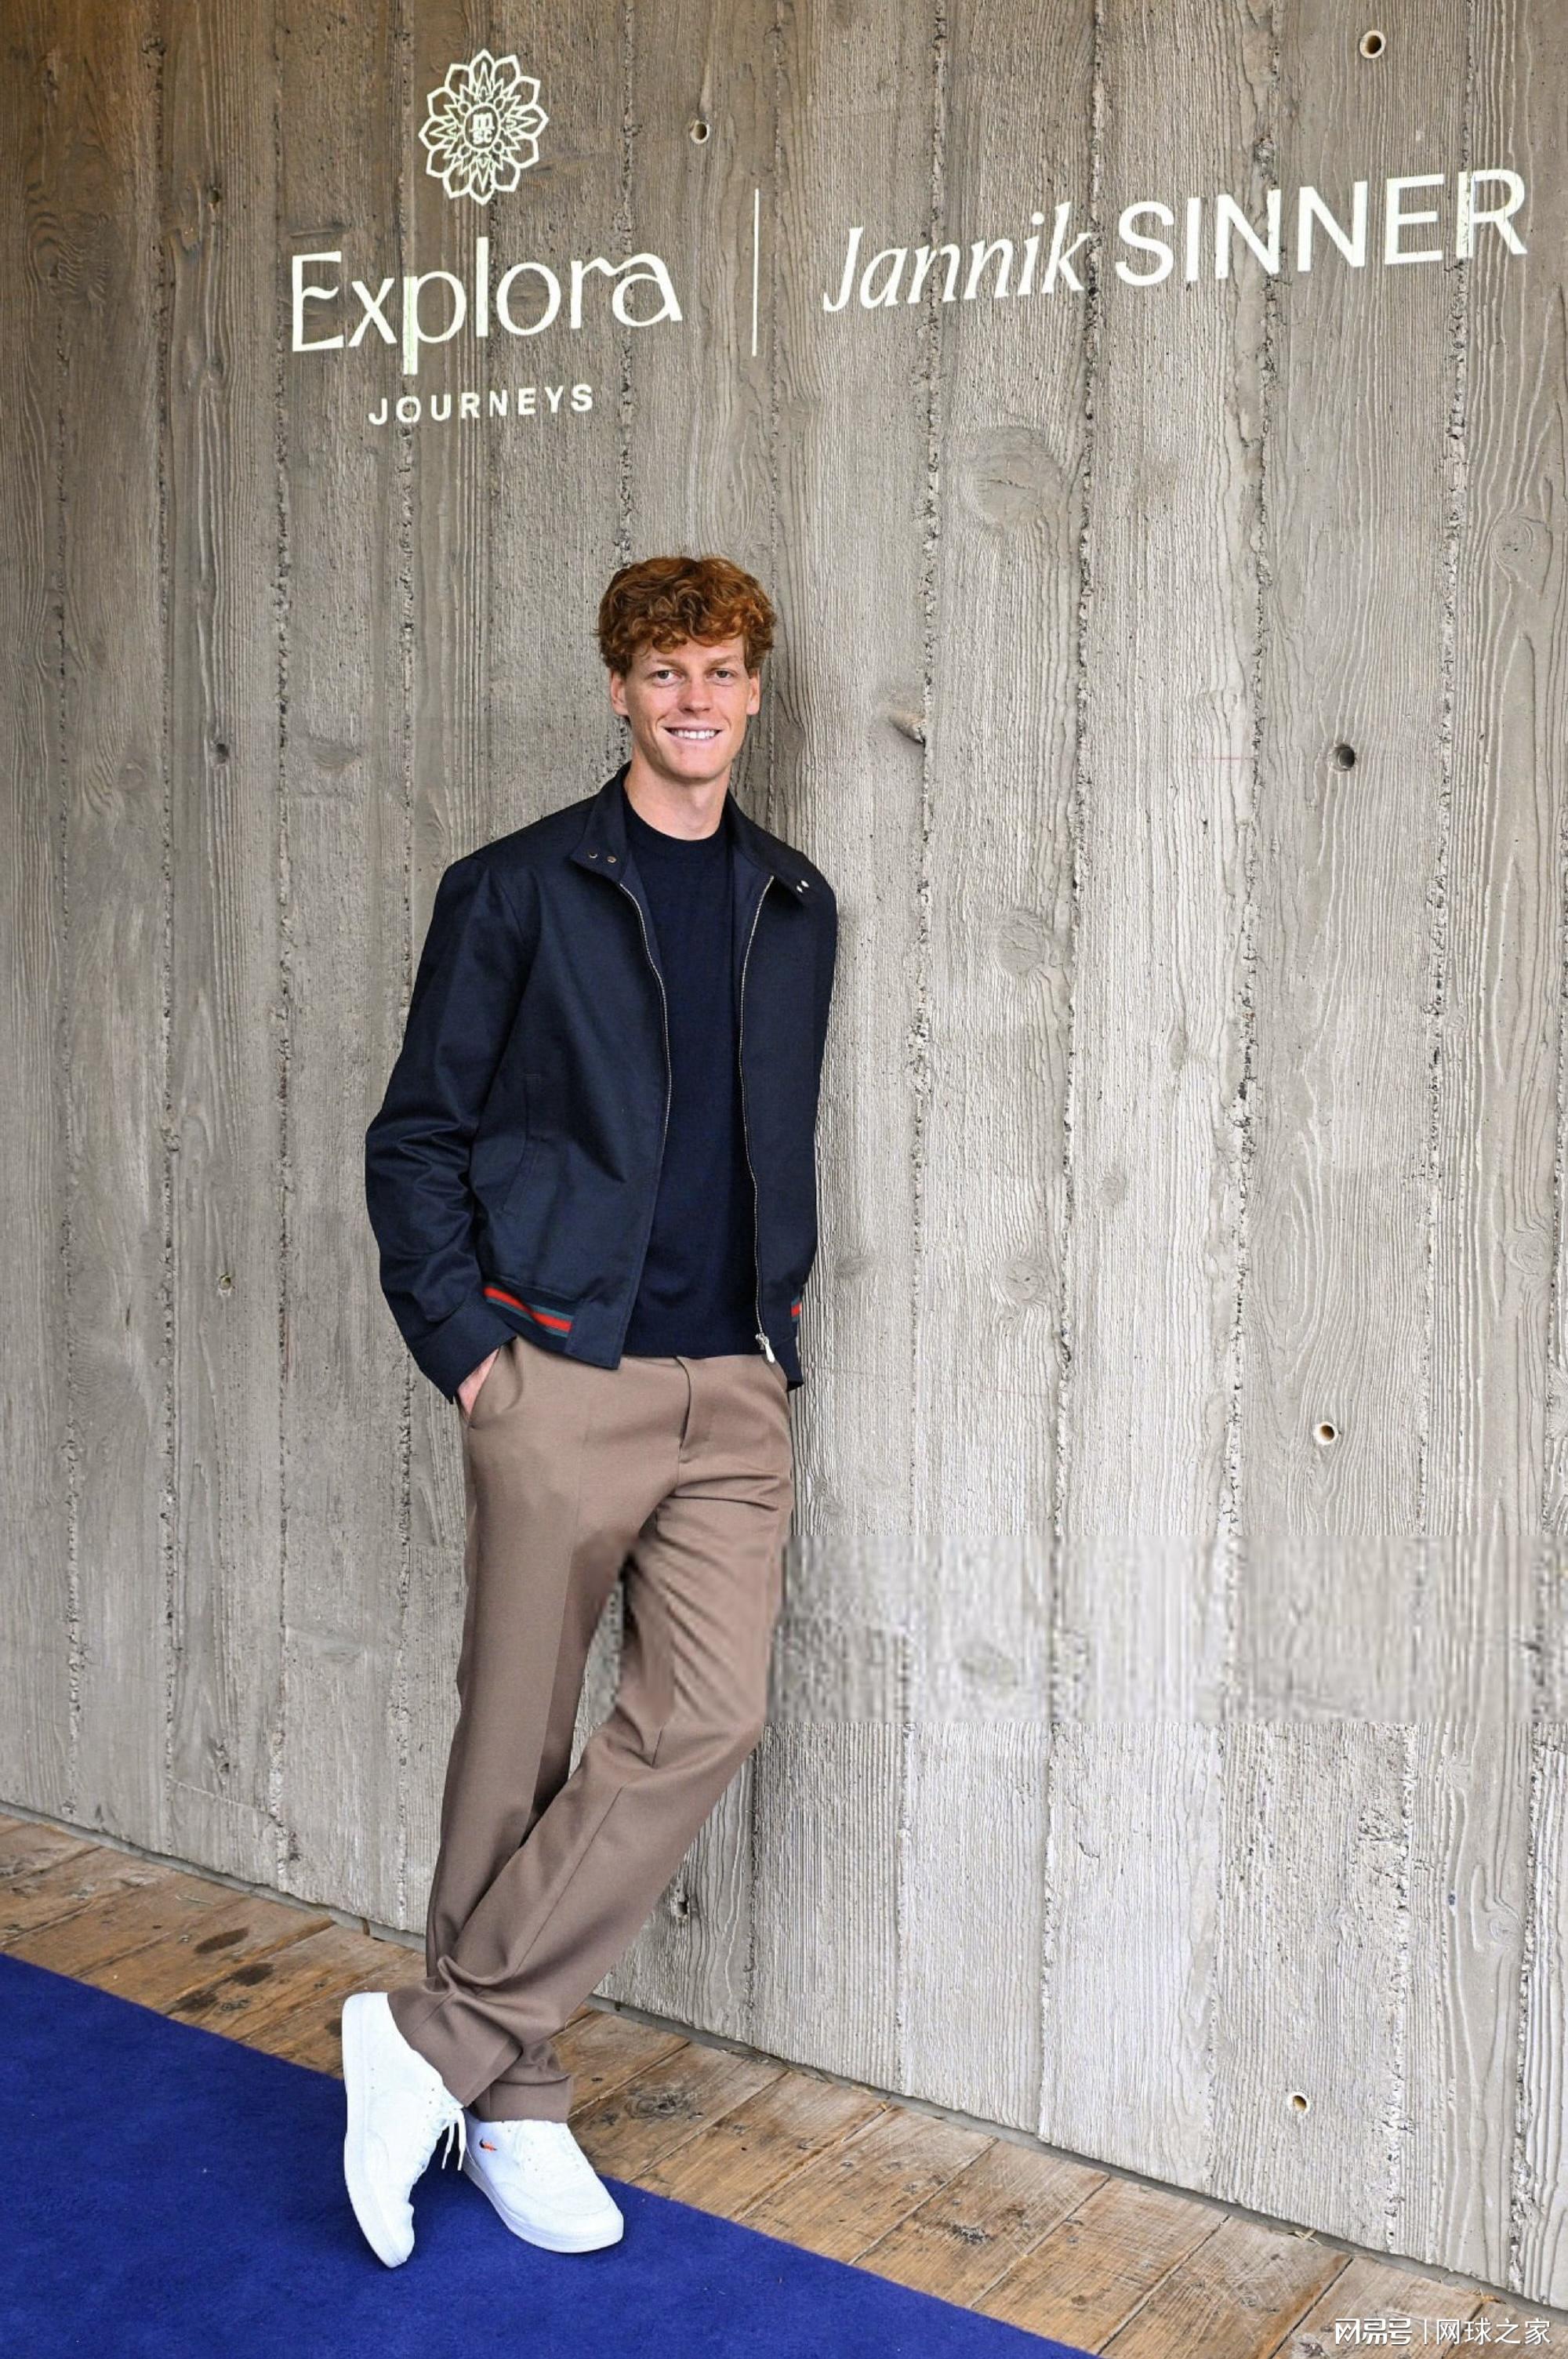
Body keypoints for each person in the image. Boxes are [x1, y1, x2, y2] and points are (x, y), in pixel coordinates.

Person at [341, 553, 838, 2268]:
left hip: (734, 1381)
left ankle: (436, 2039)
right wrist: (473, 1350)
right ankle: (519, 2100)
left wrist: (776, 1325)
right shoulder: (516, 887)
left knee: (708, 1715)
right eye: (664, 671)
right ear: (620, 690)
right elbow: (415, 1134)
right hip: (560, 1368)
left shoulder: (794, 903)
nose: (696, 698)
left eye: (722, 669)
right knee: (518, 1739)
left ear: (754, 691)